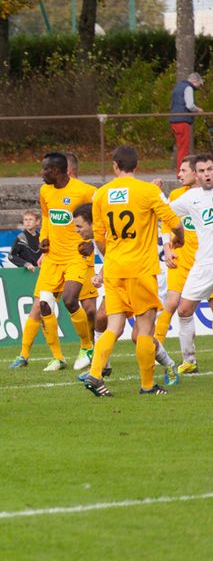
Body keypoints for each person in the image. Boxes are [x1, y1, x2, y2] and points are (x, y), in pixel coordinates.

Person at [83, 146, 184, 397]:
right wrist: (179, 239)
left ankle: (95, 374)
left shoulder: (101, 194)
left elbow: (98, 236)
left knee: (113, 327)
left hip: (115, 268)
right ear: (136, 166)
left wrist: (112, 256)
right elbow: (174, 222)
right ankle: (147, 385)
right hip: (141, 268)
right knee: (145, 329)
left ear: (115, 166)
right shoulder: (149, 191)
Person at [9, 152, 96, 372]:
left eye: (44, 169)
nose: (41, 174)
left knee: (69, 300)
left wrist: (93, 239)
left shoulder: (84, 191)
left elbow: (102, 215)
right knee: (43, 304)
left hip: (77, 256)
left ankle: (87, 346)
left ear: (56, 171)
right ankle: (57, 357)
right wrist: (43, 238)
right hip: (52, 258)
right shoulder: (45, 191)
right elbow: (46, 217)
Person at [162, 153, 213, 376]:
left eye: (210, 169)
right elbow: (166, 214)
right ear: (196, 174)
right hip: (203, 264)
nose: (207, 174)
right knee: (183, 309)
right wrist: (172, 241)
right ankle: (189, 360)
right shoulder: (191, 197)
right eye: (202, 171)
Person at [154, 155, 200, 370]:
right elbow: (166, 221)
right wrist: (167, 248)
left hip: (204, 261)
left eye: (183, 170)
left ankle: (189, 359)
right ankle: (156, 349)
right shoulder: (176, 195)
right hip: (180, 259)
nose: (178, 175)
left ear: (196, 172)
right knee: (173, 304)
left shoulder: (207, 196)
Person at [168, 72, 204, 170]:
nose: (198, 87)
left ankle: (181, 170)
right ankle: (182, 171)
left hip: (174, 120)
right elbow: (189, 105)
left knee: (180, 147)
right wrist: (198, 110)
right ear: (195, 81)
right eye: (199, 84)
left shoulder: (178, 86)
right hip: (182, 120)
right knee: (184, 148)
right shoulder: (188, 88)